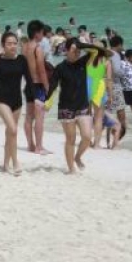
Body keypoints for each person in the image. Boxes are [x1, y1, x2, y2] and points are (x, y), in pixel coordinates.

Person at [47, 38, 110, 174]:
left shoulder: (83, 62)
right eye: (74, 50)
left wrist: (80, 45)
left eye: (79, 51)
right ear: (67, 50)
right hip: (66, 108)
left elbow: (98, 51)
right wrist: (48, 103)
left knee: (87, 137)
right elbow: (53, 86)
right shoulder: (60, 68)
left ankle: (77, 157)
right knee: (71, 139)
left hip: (82, 106)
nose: (77, 53)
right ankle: (71, 169)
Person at [0, 32, 34, 175]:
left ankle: (5, 165)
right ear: (3, 45)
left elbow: (29, 80)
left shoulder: (22, 60)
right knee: (13, 130)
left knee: (10, 134)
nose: (12, 46)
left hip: (17, 101)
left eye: (14, 43)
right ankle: (15, 162)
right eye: (9, 43)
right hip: (2, 100)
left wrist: (33, 100)